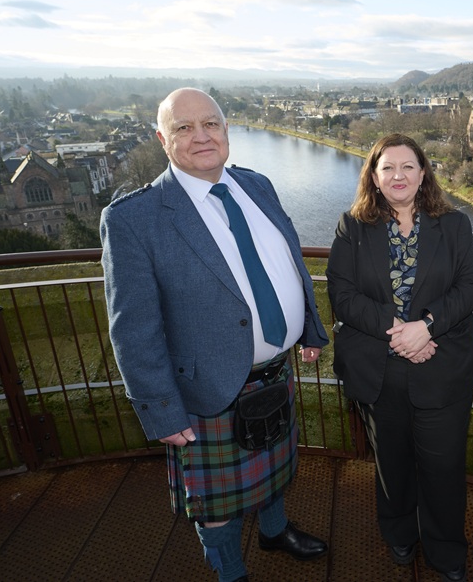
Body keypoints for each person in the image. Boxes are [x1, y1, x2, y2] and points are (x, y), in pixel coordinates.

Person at [100, 88, 330, 582]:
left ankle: (274, 531)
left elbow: (287, 261)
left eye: (211, 124)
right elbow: (133, 328)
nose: (201, 136)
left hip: (276, 373)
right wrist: (161, 409)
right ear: (162, 139)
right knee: (217, 505)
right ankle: (230, 573)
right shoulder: (133, 218)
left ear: (227, 130)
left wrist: (308, 327)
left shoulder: (257, 184)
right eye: (184, 128)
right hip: (207, 392)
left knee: (275, 471)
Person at [326, 133, 473, 582]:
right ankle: (398, 532)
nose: (399, 175)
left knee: (443, 467)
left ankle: (446, 550)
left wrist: (427, 326)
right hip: (380, 370)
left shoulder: (454, 225)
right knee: (391, 462)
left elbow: (471, 286)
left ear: (423, 173)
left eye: (408, 166)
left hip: (442, 367)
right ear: (374, 177)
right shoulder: (352, 227)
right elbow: (342, 293)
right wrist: (400, 332)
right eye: (388, 168)